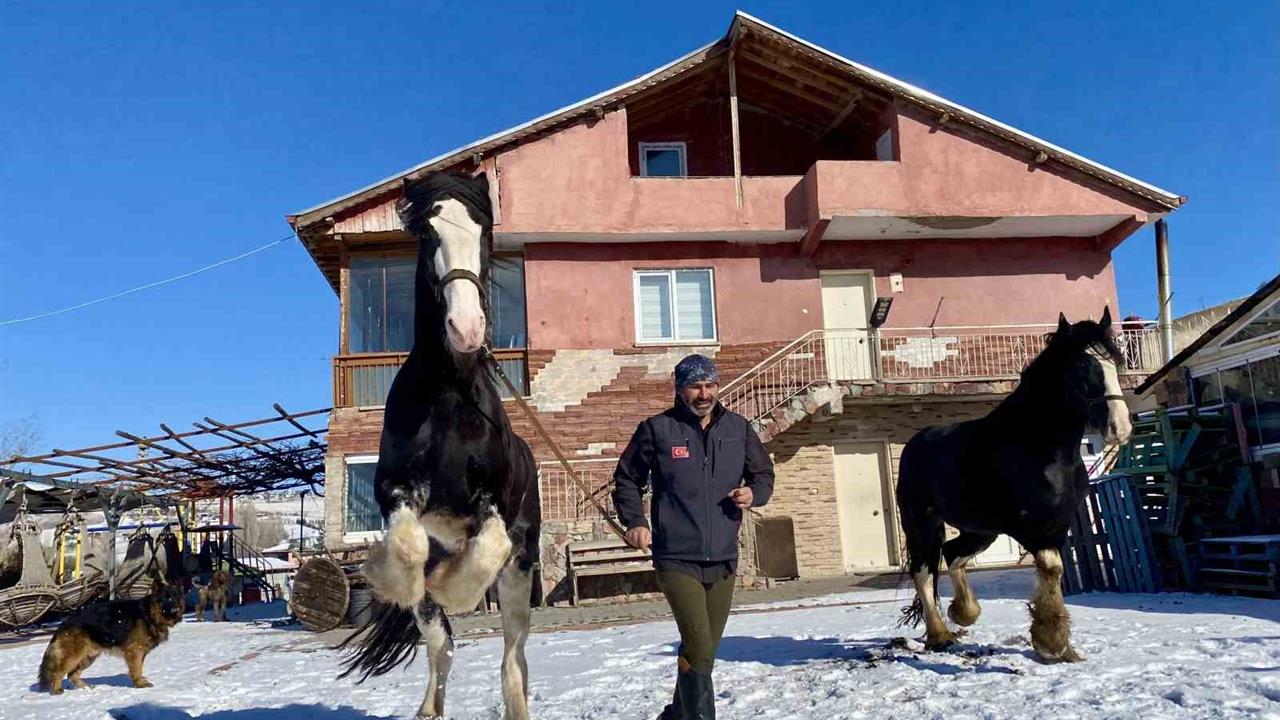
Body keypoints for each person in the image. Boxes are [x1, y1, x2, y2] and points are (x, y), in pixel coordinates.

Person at [612, 353, 775, 720]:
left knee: (703, 652)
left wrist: (754, 493)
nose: (705, 394)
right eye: (696, 386)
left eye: (710, 385)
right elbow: (626, 479)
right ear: (680, 389)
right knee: (699, 646)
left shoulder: (737, 429)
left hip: (723, 557)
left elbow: (763, 474)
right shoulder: (658, 429)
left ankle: (675, 716)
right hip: (676, 557)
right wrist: (635, 520)